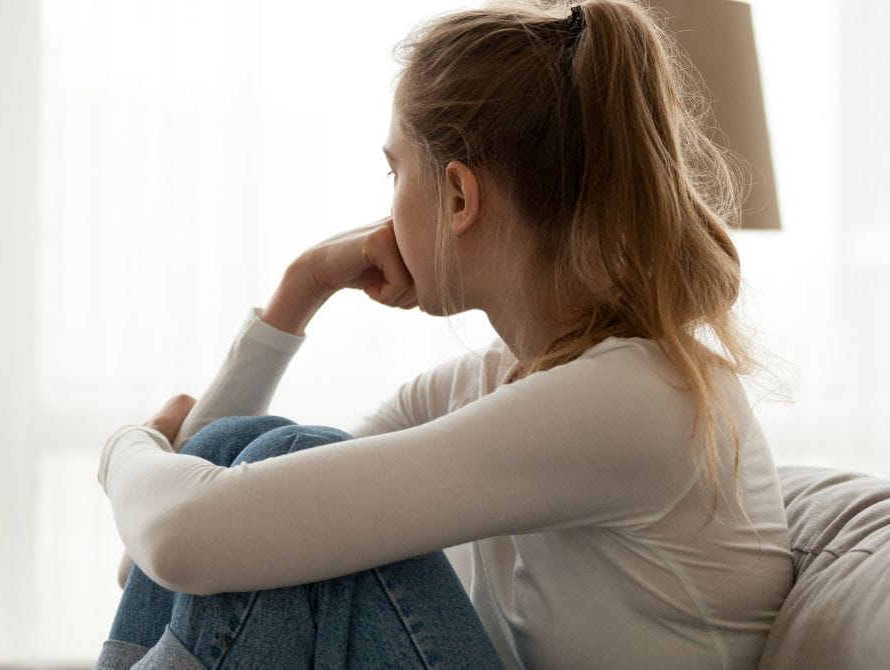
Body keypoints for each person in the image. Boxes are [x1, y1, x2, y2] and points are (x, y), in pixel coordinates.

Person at [94, 0, 795, 667]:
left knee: (290, 456)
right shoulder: (499, 381)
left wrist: (127, 447)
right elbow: (168, 553)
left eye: (395, 170)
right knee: (251, 454)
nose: (387, 204)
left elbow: (182, 536)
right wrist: (301, 288)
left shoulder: (632, 400)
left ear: (459, 197)